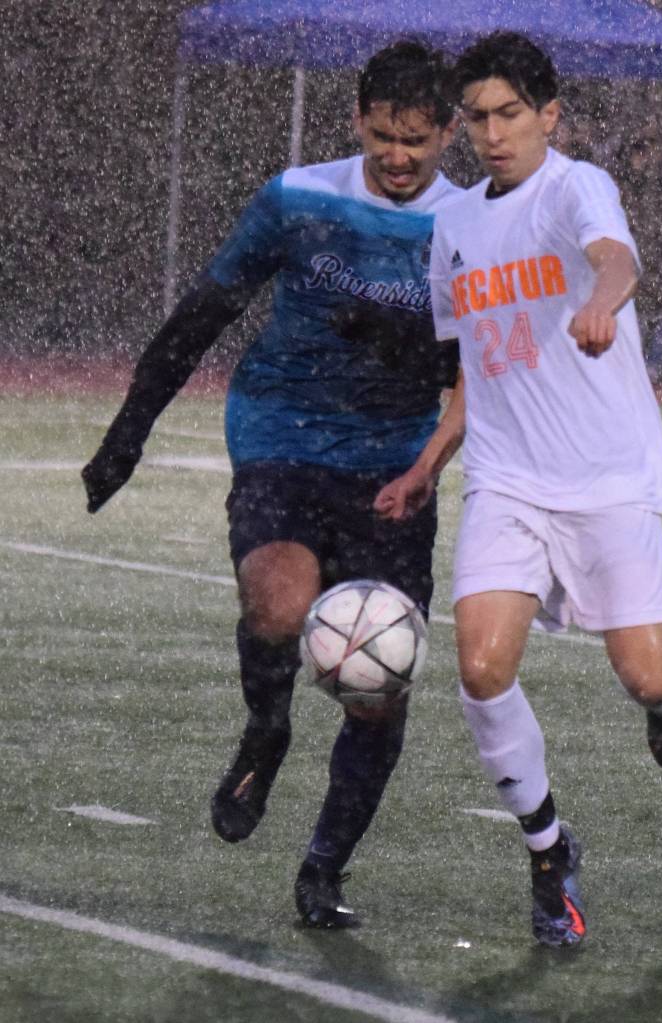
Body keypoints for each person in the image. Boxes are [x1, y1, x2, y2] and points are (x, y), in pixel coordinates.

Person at [81, 40, 461, 929]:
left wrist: (409, 361)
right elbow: (203, 313)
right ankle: (267, 724)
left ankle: (324, 868)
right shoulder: (296, 198)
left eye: (414, 140)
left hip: (396, 462)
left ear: (448, 133)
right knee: (278, 608)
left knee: (381, 682)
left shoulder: (472, 225)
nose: (396, 156)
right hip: (281, 430)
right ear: (355, 119)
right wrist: (127, 432)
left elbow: (482, 365)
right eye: (381, 136)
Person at [375, 32, 662, 949]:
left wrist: (601, 299)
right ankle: (549, 852)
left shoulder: (575, 186)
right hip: (507, 480)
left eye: (509, 114)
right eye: (476, 117)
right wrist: (427, 465)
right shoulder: (453, 226)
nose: (492, 133)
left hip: (604, 477)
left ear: (548, 116)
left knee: (644, 676)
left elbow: (615, 259)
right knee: (480, 668)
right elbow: (475, 369)